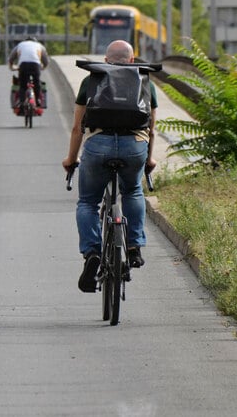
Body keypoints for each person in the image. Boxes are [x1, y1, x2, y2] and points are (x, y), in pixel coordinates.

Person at [61, 39, 158, 293]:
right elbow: (151, 129)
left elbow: (77, 128)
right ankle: (135, 246)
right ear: (133, 60)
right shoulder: (145, 80)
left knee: (88, 203)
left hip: (98, 146)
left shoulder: (90, 80)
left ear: (105, 61)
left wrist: (71, 159)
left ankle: (92, 252)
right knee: (133, 191)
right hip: (134, 146)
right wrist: (149, 159)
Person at [8, 36, 49, 108]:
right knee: (37, 83)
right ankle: (38, 100)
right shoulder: (39, 46)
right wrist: (43, 67)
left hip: (23, 65)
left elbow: (11, 58)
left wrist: (11, 67)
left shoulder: (20, 45)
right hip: (35, 65)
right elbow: (46, 61)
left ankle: (22, 101)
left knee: (22, 85)